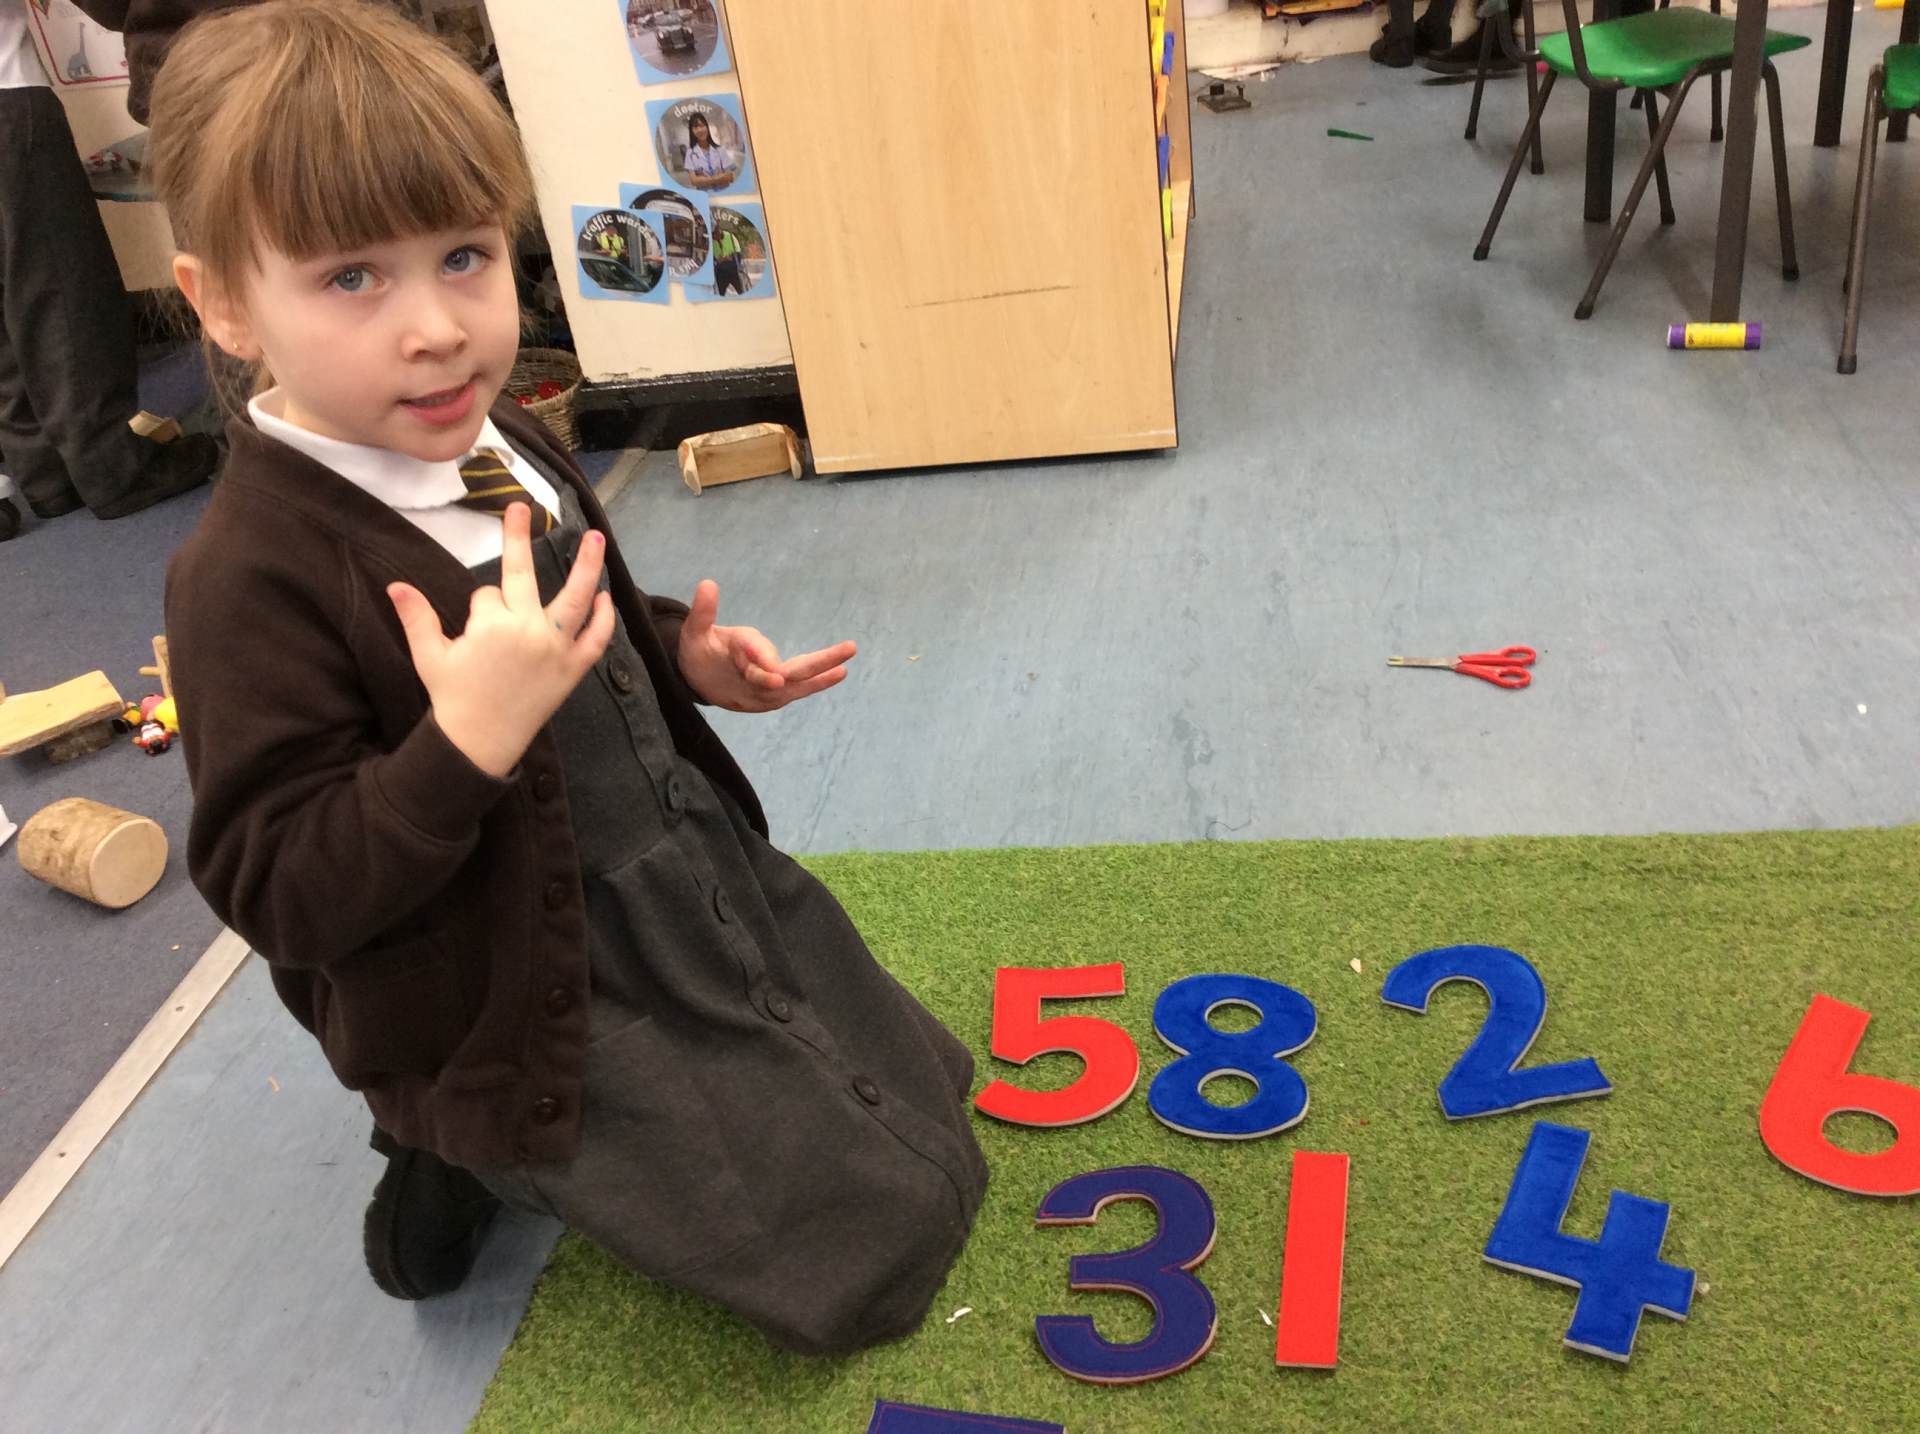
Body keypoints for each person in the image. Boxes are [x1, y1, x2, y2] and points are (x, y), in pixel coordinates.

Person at [148, 0, 986, 1356]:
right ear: (226, 304)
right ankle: (454, 1136)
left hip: (668, 870)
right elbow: (279, 888)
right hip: (515, 979)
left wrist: (677, 656)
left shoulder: (503, 437)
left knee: (915, 1083)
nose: (437, 328)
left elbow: (567, 601)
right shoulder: (249, 577)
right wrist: (459, 747)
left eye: (464, 254)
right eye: (352, 278)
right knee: (865, 1259)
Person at [0, 0, 217, 542]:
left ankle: (44, 470)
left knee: (7, 297)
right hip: (7, 93)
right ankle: (114, 467)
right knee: (60, 285)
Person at [680, 109, 735, 190]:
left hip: (724, 192)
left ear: (707, 127)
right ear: (692, 131)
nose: (700, 130)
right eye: (695, 127)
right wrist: (719, 177)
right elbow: (694, 181)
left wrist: (704, 180)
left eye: (702, 125)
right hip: (705, 194)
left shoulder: (720, 149)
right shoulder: (690, 153)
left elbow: (730, 177)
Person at [711, 222, 745, 296]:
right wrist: (718, 260)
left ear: (718, 231)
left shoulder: (730, 237)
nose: (713, 238)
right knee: (720, 295)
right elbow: (713, 259)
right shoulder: (712, 242)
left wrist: (726, 258)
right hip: (721, 273)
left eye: (714, 234)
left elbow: (738, 256)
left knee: (742, 293)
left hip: (733, 271)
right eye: (712, 235)